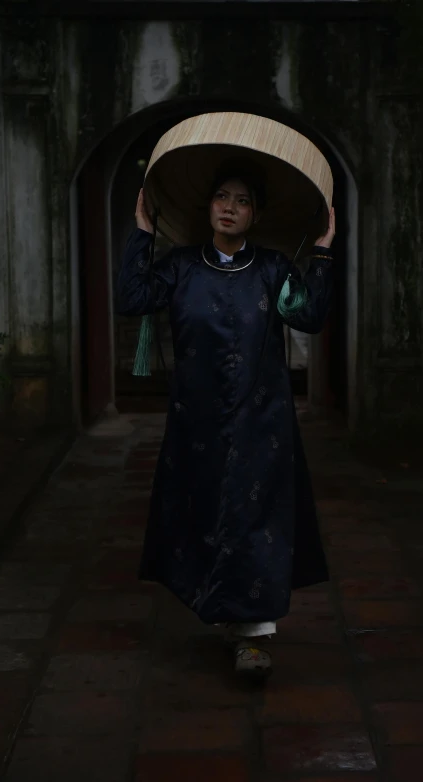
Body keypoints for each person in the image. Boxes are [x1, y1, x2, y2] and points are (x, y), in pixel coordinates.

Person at [117, 163, 335, 677]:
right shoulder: (180, 267)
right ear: (208, 207)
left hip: (263, 423)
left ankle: (253, 636)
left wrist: (323, 246)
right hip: (197, 425)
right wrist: (143, 231)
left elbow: (308, 315)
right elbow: (131, 298)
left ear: (255, 214)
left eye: (241, 201)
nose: (229, 208)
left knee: (254, 521)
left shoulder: (272, 270)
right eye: (221, 197)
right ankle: (218, 608)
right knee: (206, 516)